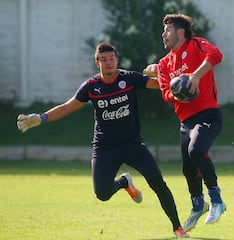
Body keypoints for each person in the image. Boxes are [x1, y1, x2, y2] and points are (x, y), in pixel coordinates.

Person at [16, 42, 189, 238]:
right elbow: (68, 106)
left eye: (112, 59)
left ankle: (177, 228)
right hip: (105, 148)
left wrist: (173, 78)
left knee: (158, 183)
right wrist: (41, 118)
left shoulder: (129, 78)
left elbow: (159, 85)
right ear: (97, 63)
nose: (109, 63)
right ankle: (124, 182)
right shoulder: (91, 87)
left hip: (133, 144)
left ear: (117, 60)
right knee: (102, 194)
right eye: (104, 60)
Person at [144, 13, 225, 232]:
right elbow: (165, 94)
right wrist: (178, 91)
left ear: (180, 32)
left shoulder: (196, 44)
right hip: (186, 121)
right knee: (189, 169)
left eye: (167, 30)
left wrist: (195, 77)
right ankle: (198, 207)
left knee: (197, 151)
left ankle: (216, 200)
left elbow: (216, 55)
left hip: (208, 114)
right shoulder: (163, 63)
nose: (163, 34)